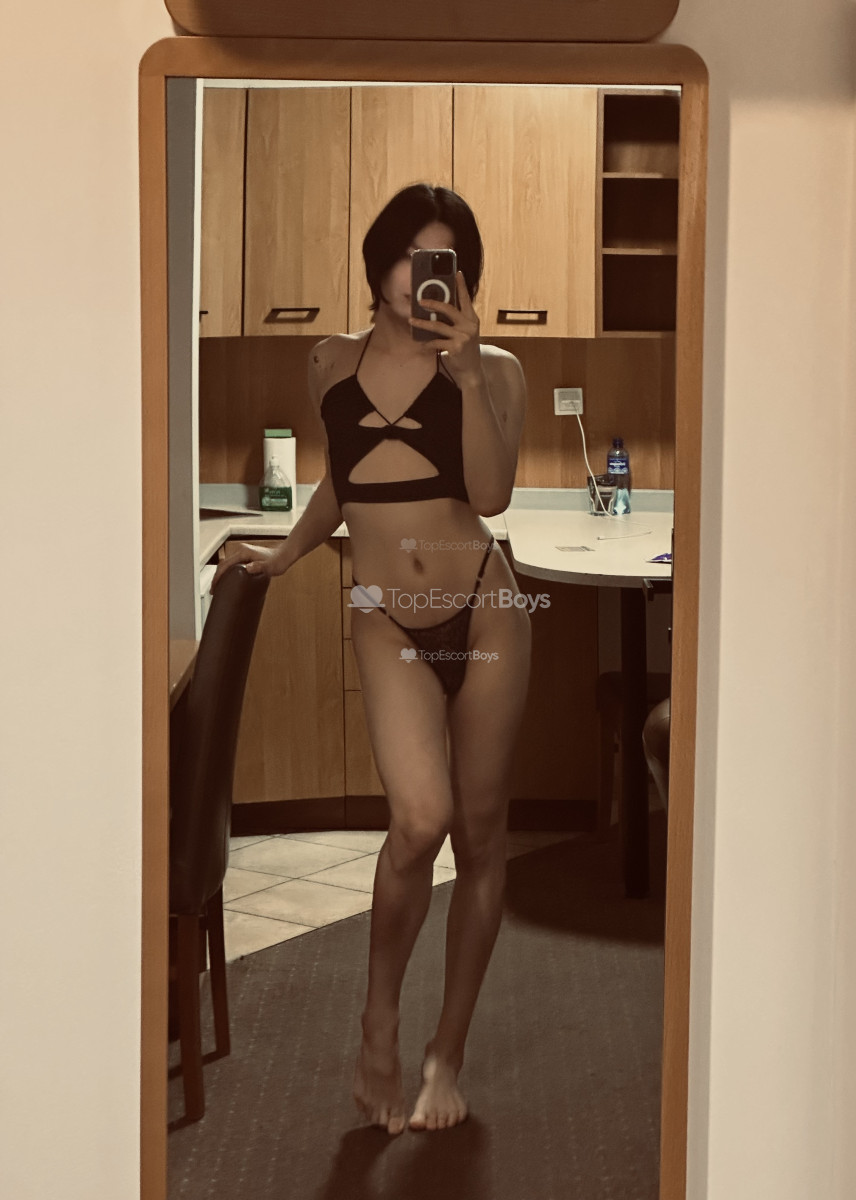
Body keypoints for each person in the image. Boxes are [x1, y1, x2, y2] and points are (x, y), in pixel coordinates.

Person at [214, 183, 531, 1134]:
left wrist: (467, 376)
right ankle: (379, 1026)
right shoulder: (329, 361)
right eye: (407, 255)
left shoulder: (497, 369)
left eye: (442, 261)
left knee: (481, 837)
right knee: (420, 818)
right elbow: (344, 481)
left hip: (488, 609)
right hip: (385, 615)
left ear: (462, 276)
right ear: (378, 262)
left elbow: (493, 494)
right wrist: (285, 553)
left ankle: (447, 1055)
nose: (419, 277)